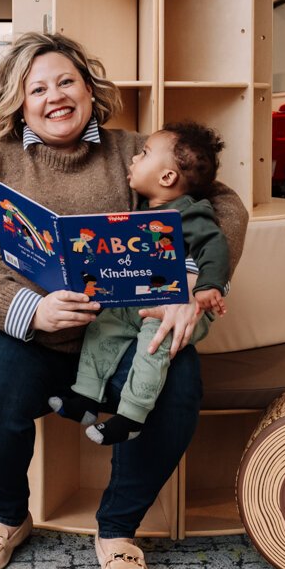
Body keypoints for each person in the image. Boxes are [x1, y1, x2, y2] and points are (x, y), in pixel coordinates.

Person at [0, 32, 247, 569]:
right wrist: (29, 307)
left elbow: (222, 205)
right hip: (24, 335)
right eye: (38, 88)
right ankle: (7, 515)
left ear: (88, 87)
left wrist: (194, 282)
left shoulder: (137, 152)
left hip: (124, 333)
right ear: (17, 101)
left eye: (66, 81)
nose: (55, 97)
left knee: (177, 384)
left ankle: (119, 529)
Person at [48, 122, 228, 446]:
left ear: (167, 178)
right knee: (101, 326)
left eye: (143, 154)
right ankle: (86, 398)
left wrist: (205, 287)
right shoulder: (142, 210)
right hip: (139, 298)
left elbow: (214, 246)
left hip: (179, 307)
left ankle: (131, 416)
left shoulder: (191, 212)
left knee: (152, 345)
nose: (133, 159)